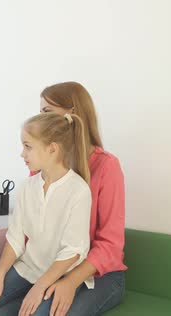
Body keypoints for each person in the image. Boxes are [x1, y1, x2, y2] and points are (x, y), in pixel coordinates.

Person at [0, 112, 92, 316]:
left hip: (60, 275)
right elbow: (15, 238)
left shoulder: (78, 191)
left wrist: (39, 287)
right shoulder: (27, 187)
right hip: (28, 268)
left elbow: (73, 251)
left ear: (52, 148)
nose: (22, 154)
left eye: (27, 146)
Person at [36, 82, 126, 316]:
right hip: (53, 268)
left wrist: (70, 281)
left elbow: (111, 245)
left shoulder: (107, 166)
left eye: (46, 112)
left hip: (101, 276)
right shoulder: (42, 162)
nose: (39, 119)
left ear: (72, 113)